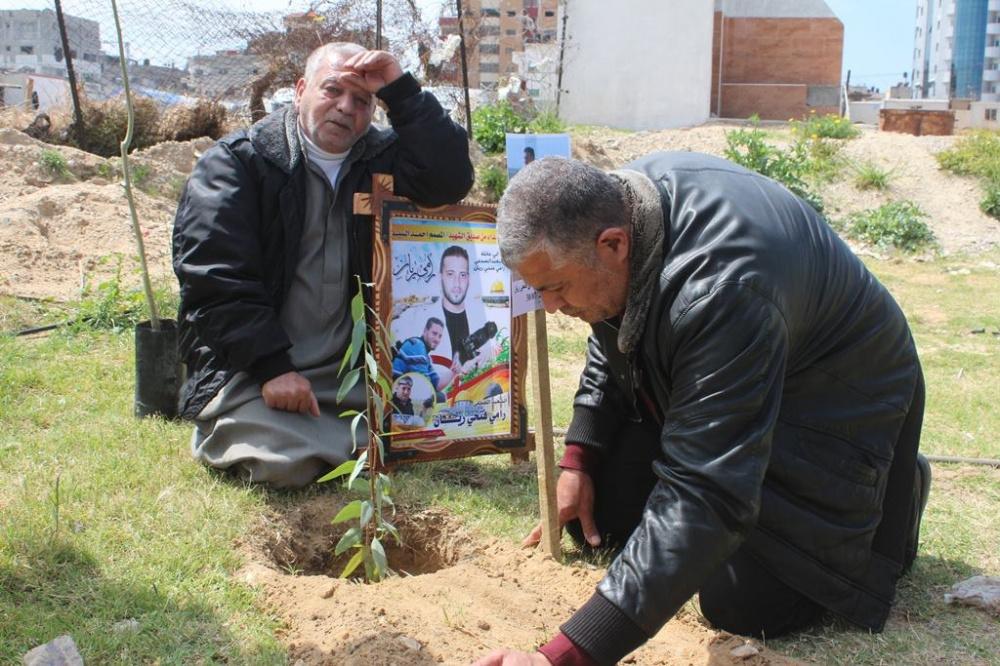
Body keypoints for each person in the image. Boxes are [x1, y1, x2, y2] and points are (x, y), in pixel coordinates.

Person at [474, 154, 931, 666]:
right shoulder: (618, 205)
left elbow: (705, 492)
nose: (551, 307)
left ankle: (894, 497)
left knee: (741, 601)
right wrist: (579, 458)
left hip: (836, 400)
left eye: (556, 288)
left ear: (614, 245)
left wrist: (561, 658)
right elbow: (610, 335)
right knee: (595, 516)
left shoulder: (722, 287)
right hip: (739, 370)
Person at [172, 42, 473, 488]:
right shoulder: (238, 163)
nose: (346, 107)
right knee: (279, 463)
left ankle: (350, 440)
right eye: (332, 90)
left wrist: (402, 91)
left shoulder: (381, 158)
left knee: (422, 423)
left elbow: (449, 179)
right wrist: (272, 368)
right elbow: (214, 278)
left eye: (362, 100)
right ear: (300, 91)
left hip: (354, 375)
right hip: (256, 371)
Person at [392, 317, 446, 391]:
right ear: (425, 331)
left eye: (440, 336)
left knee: (440, 395)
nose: (437, 339)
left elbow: (436, 384)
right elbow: (423, 383)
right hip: (395, 391)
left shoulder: (425, 356)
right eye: (434, 333)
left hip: (404, 391)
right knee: (439, 396)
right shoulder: (417, 346)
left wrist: (453, 371)